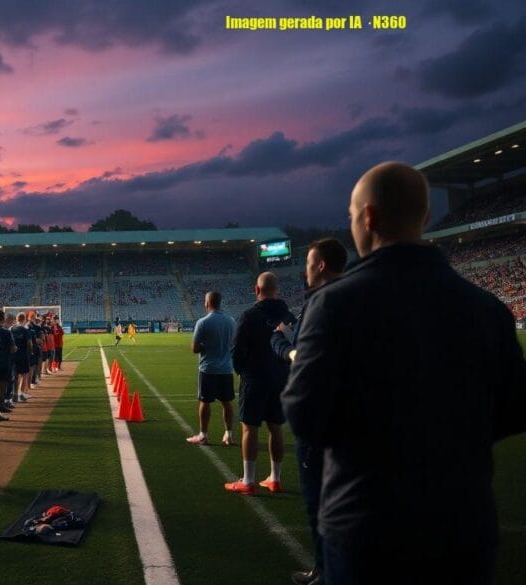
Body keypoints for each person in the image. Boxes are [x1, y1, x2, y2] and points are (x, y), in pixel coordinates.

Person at [282, 162, 526, 584]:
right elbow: (514, 410)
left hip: (367, 524)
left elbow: (305, 414)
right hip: (464, 526)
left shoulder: (335, 305)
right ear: (426, 218)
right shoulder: (488, 309)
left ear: (370, 217)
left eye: (352, 215)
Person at [270, 239, 346, 585]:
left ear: (320, 266)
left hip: (319, 420)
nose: (305, 270)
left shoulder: (323, 301)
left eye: (309, 262)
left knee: (319, 502)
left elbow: (304, 359)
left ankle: (324, 571)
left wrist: (282, 343)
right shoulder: (357, 296)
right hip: (353, 419)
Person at [224, 272, 295, 495]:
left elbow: (236, 351)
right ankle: (275, 478)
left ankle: (248, 480)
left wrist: (241, 372)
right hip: (281, 378)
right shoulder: (289, 317)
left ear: (257, 290)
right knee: (276, 428)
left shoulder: (249, 316)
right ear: (278, 290)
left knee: (249, 428)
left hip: (254, 378)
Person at [186, 291, 236, 447]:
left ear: (207, 303)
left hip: (208, 369)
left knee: (205, 402)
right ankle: (228, 434)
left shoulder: (203, 322)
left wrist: (207, 346)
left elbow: (194, 348)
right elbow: (234, 344)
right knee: (227, 403)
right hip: (226, 369)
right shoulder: (231, 321)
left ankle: (203, 435)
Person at [0, 309, 15, 421]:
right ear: (3, 318)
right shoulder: (6, 332)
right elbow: (12, 348)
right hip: (4, 362)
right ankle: (0, 407)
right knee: (2, 387)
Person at [11, 312, 33, 402]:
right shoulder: (24, 330)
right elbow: (29, 343)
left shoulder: (11, 329)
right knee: (25, 374)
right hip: (23, 355)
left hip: (13, 356)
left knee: (15, 375)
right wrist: (31, 351)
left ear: (17, 319)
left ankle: (15, 394)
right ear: (24, 320)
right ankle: (22, 393)